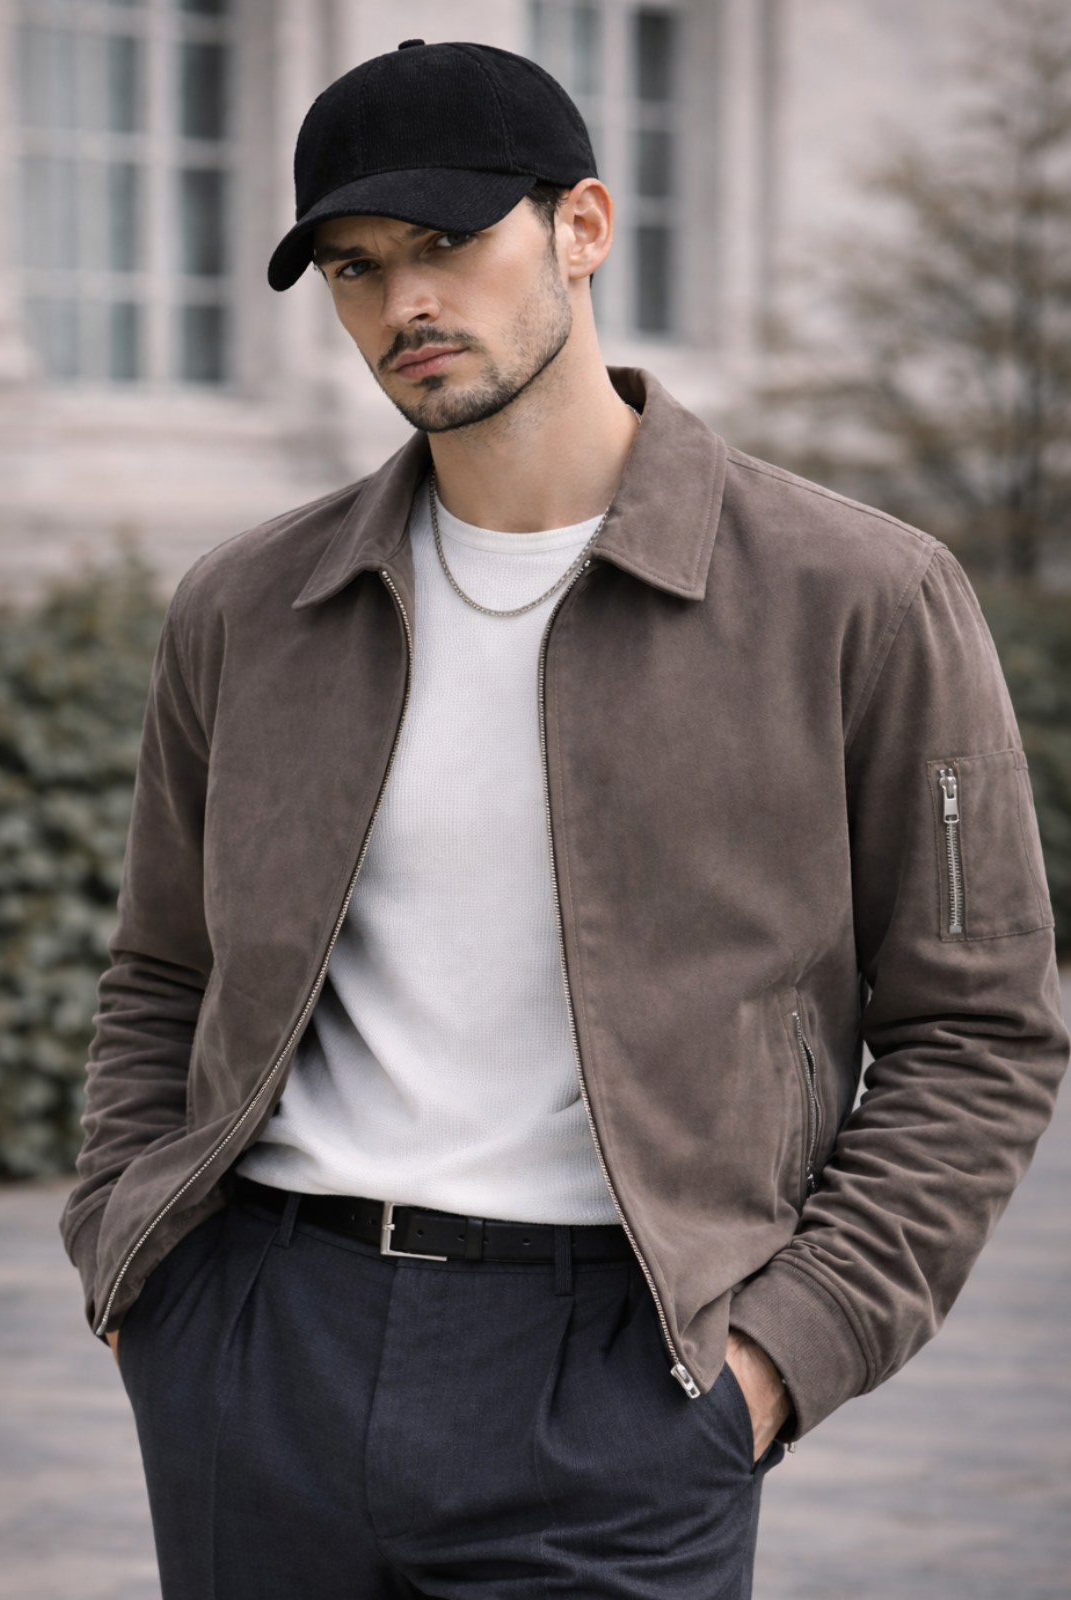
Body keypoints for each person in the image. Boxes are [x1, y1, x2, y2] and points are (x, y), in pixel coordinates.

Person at [62, 39, 1068, 1600]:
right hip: (258, 1346)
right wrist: (139, 1277)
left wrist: (780, 1360)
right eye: (354, 265)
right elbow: (161, 975)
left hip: (623, 1373)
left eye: (448, 245)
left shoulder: (856, 599)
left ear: (582, 227)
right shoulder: (250, 607)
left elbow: (979, 1029)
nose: (404, 303)